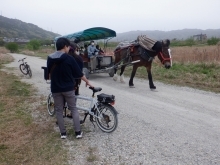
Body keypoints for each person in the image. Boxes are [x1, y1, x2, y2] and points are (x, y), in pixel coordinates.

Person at [47, 37, 93, 139]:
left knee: (59, 110)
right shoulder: (69, 58)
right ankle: (78, 133)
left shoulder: (50, 58)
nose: (69, 49)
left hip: (55, 89)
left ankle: (63, 134)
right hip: (68, 89)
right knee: (73, 109)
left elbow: (48, 74)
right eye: (68, 46)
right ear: (65, 46)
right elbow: (79, 74)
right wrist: (87, 82)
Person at [66, 43, 83, 118]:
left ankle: (62, 115)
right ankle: (72, 112)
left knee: (63, 97)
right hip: (77, 80)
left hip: (67, 80)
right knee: (75, 95)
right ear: (76, 49)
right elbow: (80, 71)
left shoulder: (66, 57)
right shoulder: (79, 58)